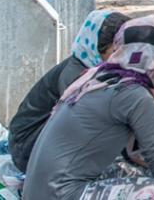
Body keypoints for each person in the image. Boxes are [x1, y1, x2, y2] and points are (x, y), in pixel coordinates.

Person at [23, 17, 154, 200]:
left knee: (133, 171)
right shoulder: (134, 95)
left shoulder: (100, 78)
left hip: (42, 190)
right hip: (62, 193)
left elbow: (142, 156)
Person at [7, 11, 130, 174]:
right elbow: (96, 127)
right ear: (98, 46)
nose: (124, 55)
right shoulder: (77, 77)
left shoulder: (98, 69)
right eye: (117, 49)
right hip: (28, 149)